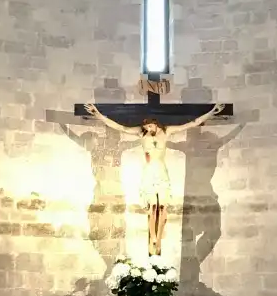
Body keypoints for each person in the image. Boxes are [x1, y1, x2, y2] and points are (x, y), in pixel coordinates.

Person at [84, 101, 225, 255]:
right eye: (145, 128)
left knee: (162, 207)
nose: (147, 129)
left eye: (149, 127)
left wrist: (212, 112)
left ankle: (158, 238)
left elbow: (193, 123)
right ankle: (153, 240)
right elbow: (120, 127)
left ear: (154, 123)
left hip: (162, 172)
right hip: (149, 172)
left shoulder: (167, 131)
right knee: (152, 208)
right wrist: (97, 114)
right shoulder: (141, 133)